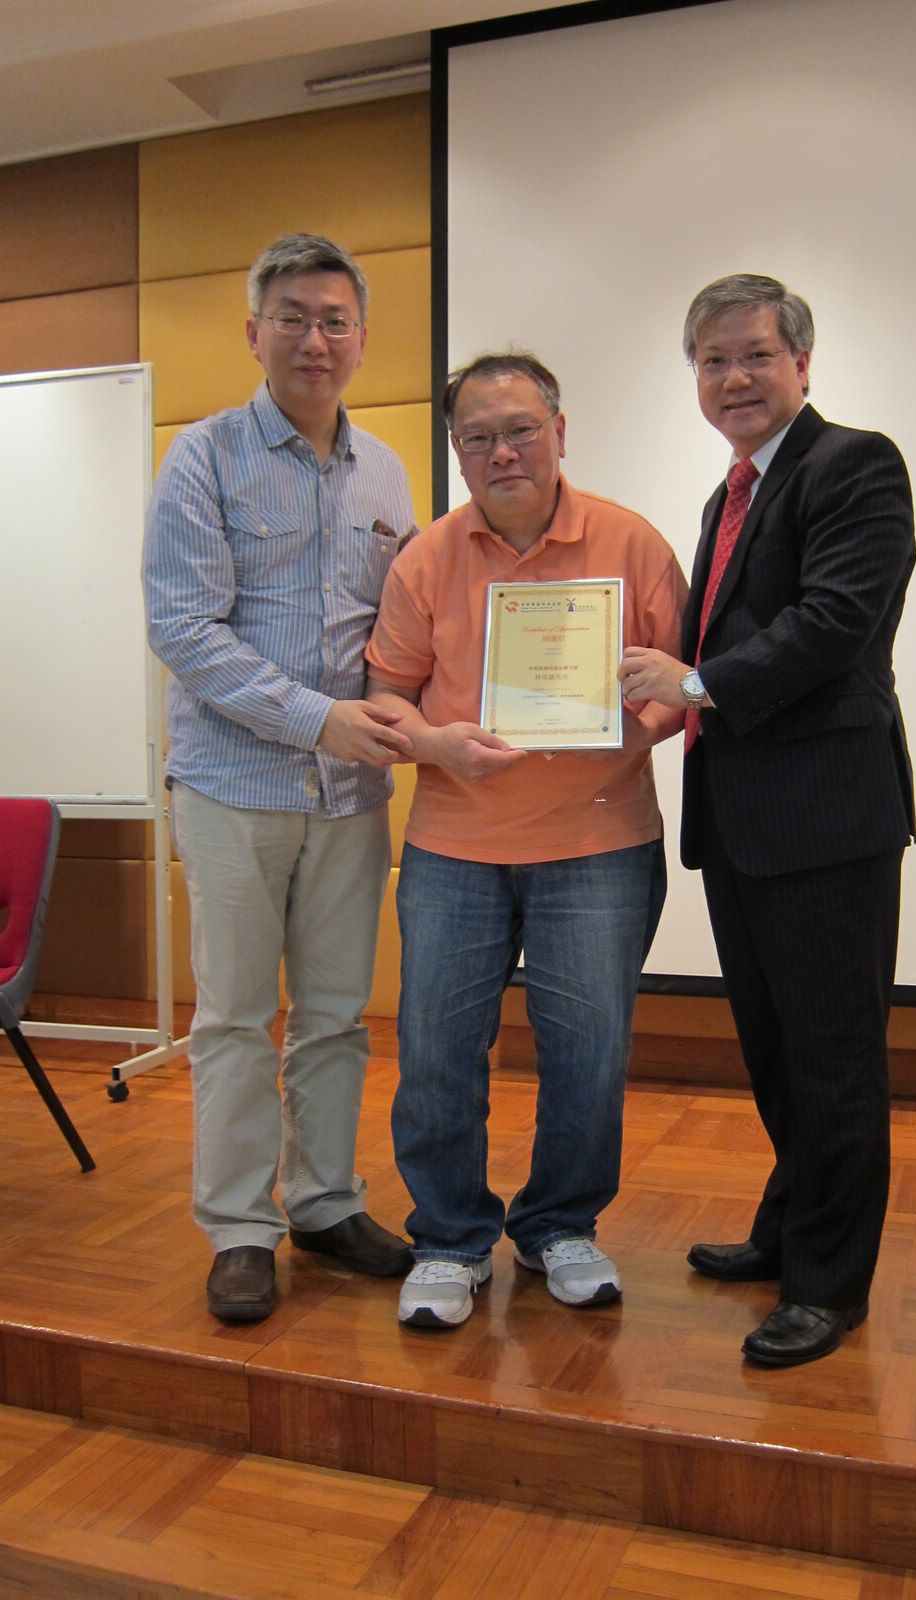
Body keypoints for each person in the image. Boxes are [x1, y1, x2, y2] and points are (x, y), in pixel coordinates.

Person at [618, 273, 916, 1367]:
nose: (733, 377)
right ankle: (791, 1229)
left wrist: (694, 684)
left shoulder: (855, 464)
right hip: (745, 819)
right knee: (778, 1049)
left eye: (754, 354)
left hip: (827, 819)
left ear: (802, 362)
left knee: (835, 1058)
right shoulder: (730, 493)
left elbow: (834, 623)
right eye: (712, 361)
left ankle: (829, 1287)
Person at [365, 352, 687, 1329]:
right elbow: (387, 693)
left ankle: (560, 1225)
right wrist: (434, 746)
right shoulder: (426, 559)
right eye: (478, 437)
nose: (501, 451)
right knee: (436, 1051)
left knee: (588, 1052)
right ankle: (451, 1237)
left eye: (520, 430)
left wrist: (636, 724)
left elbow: (685, 680)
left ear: (559, 432)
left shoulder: (630, 542)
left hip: (598, 841)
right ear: (457, 451)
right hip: (453, 846)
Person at [143, 232, 416, 1323]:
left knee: (339, 1015)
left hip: (350, 798)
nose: (315, 339)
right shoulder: (203, 457)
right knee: (235, 1016)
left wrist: (408, 720)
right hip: (232, 788)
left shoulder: (386, 470)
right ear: (253, 332)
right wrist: (320, 721)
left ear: (362, 338)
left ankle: (324, 1202)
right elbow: (184, 628)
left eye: (335, 320)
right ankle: (240, 1228)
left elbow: (400, 628)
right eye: (293, 318)